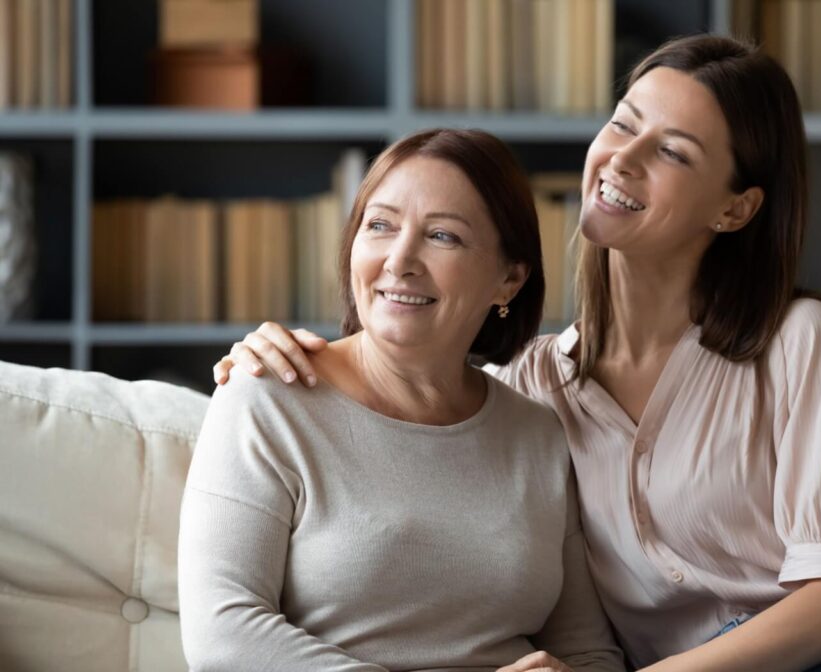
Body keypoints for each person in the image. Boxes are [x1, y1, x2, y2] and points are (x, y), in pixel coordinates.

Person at [211, 36, 821, 672]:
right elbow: (405, 357)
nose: (623, 158)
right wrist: (261, 353)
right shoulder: (532, 390)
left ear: (735, 207)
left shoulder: (793, 340)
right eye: (623, 124)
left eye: (672, 151)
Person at [178, 128, 625, 672]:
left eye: (443, 237)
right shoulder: (266, 395)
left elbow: (589, 652)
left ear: (508, 280)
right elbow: (223, 636)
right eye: (380, 226)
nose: (400, 260)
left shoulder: (539, 435)